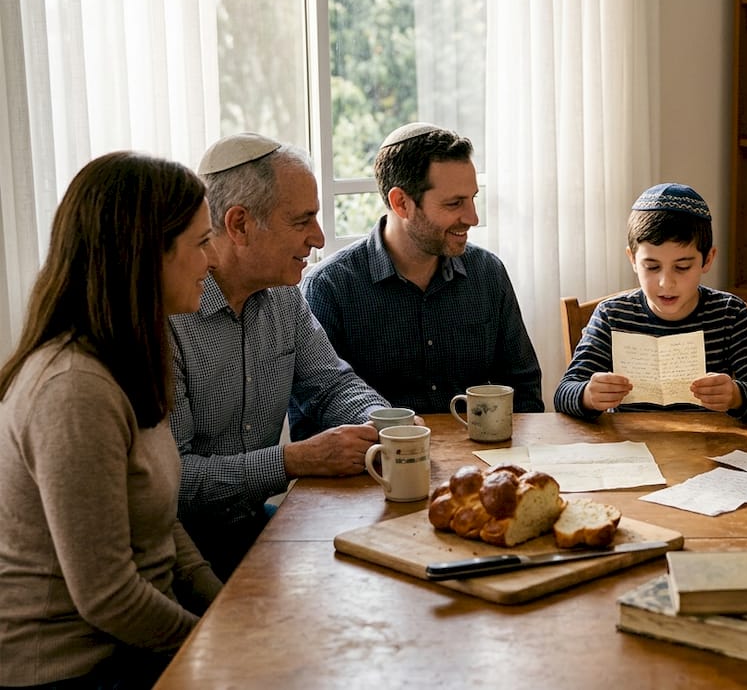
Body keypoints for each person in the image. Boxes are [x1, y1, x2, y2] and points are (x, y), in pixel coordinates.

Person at [0, 152, 222, 687]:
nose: (213, 259)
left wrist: (229, 607)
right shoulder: (73, 388)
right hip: (74, 669)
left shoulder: (125, 360)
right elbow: (107, 596)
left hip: (132, 648)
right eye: (200, 242)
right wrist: (220, 646)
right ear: (147, 254)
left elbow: (158, 519)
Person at [169, 133, 390, 580]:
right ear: (240, 225)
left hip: (265, 534)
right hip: (185, 558)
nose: (319, 236)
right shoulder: (169, 316)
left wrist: (382, 422)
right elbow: (175, 482)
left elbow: (332, 386)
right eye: (302, 220)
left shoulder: (284, 296)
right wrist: (293, 460)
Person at [296, 122, 542, 436]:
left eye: (472, 199)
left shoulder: (488, 273)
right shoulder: (330, 288)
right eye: (454, 203)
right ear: (401, 203)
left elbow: (525, 392)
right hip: (377, 473)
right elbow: (312, 423)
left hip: (481, 468)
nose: (473, 218)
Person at [555, 183, 747, 420]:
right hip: (633, 448)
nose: (666, 283)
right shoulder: (612, 315)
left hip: (709, 447)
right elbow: (563, 392)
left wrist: (737, 395)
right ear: (632, 259)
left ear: (707, 260)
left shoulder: (729, 314)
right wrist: (587, 396)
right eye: (652, 267)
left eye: (682, 267)